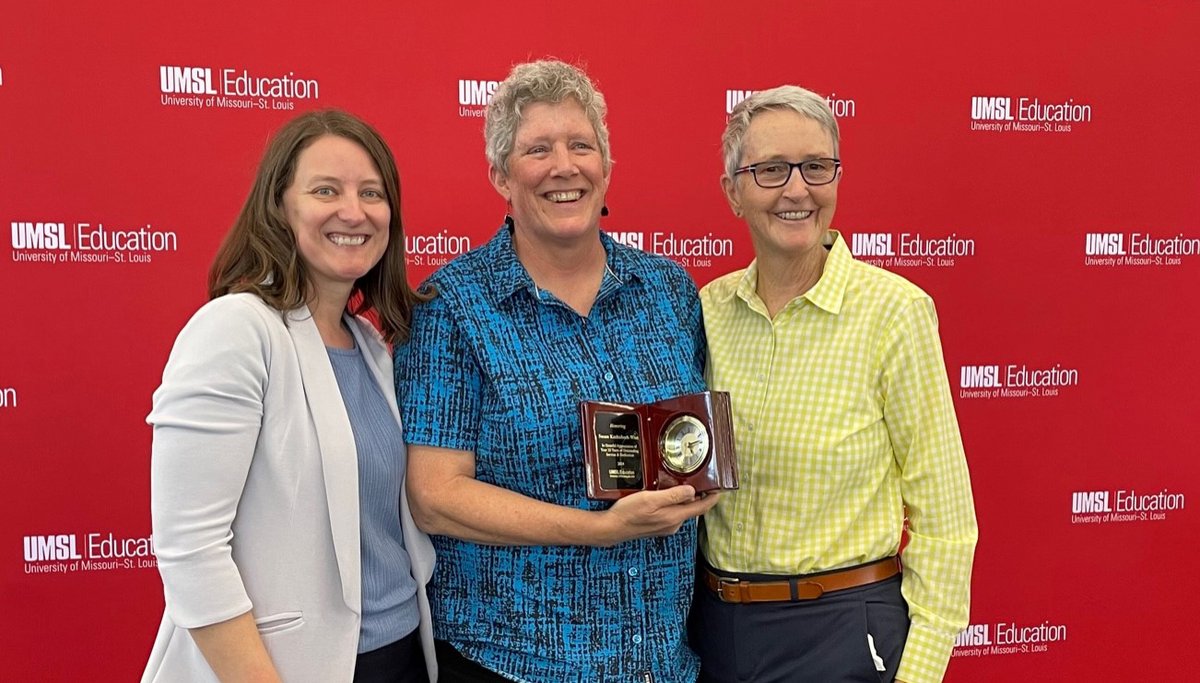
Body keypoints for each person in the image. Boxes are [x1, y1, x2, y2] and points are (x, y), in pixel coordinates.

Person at [394, 59, 717, 682]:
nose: (564, 166)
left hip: (662, 663)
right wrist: (599, 530)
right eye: (537, 149)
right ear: (501, 177)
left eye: (581, 146)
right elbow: (435, 498)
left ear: (606, 167)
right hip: (516, 662)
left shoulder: (668, 289)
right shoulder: (453, 307)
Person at [689, 85, 978, 683]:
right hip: (713, 632)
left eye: (816, 167)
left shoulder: (893, 312)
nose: (797, 189)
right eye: (771, 170)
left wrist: (918, 673)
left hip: (844, 634)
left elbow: (946, 521)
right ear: (733, 192)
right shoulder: (705, 311)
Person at [143, 110, 437, 683]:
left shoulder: (372, 346)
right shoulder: (235, 329)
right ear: (280, 206)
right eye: (325, 190)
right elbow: (191, 552)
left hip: (399, 654)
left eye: (371, 193)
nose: (353, 211)